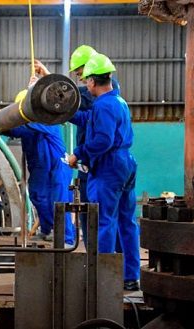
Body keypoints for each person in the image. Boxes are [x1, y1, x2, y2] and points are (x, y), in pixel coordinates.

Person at [66, 53, 140, 291]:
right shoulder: (117, 101)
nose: (84, 83)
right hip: (126, 163)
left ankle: (104, 279)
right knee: (127, 222)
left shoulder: (104, 105)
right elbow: (88, 118)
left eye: (84, 78)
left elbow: (102, 141)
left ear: (90, 81)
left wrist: (78, 153)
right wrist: (66, 112)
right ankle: (130, 276)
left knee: (104, 222)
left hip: (109, 166)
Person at [34, 45, 121, 244]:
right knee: (88, 210)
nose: (82, 78)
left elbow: (76, 100)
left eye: (82, 74)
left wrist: (79, 152)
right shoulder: (100, 101)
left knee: (102, 214)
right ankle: (96, 256)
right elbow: (76, 105)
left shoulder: (107, 93)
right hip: (89, 160)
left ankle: (106, 260)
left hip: (100, 160)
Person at [1, 90, 75, 247]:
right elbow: (14, 130)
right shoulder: (27, 127)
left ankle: (67, 238)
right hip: (39, 168)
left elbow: (17, 129)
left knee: (60, 201)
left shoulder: (47, 122)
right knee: (37, 196)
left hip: (57, 166)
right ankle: (48, 230)